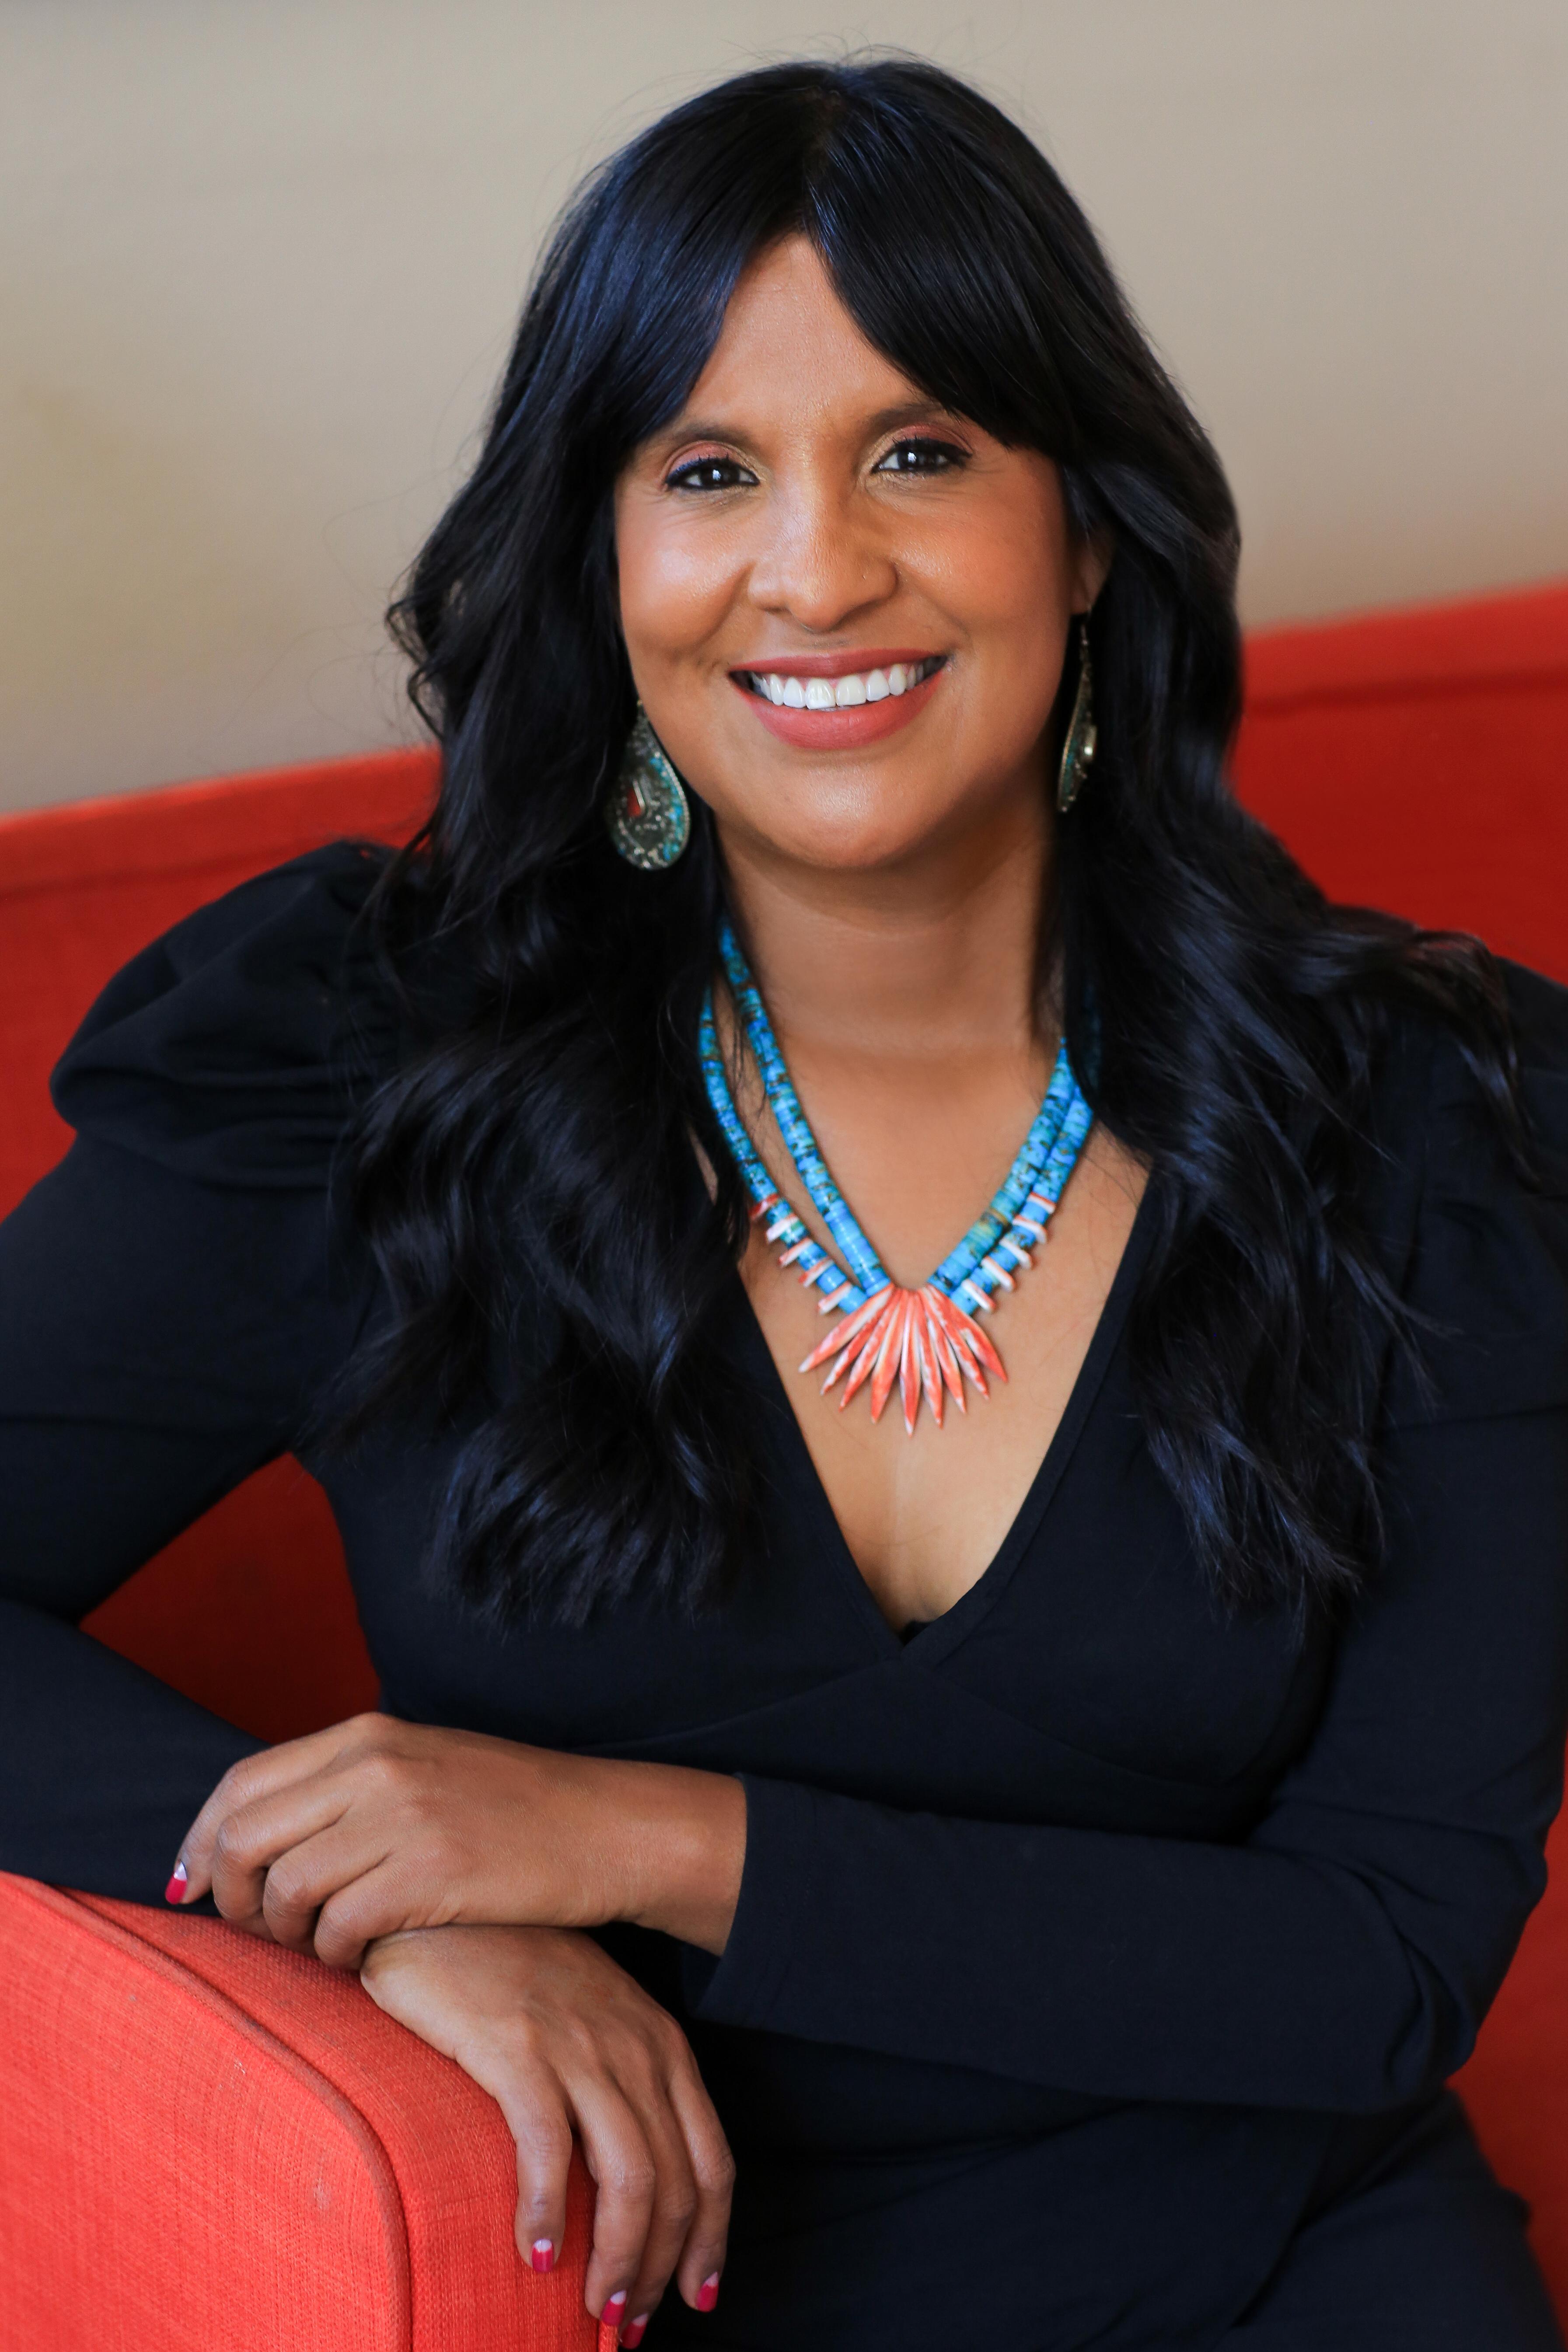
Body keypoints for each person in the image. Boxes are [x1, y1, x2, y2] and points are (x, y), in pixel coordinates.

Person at [3, 54, 1567, 2352]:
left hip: (1285, 2278)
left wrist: (625, 1834)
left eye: (919, 451)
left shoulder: (1444, 1121)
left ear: (1087, 529)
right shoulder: (366, 1063)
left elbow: (1375, 1969)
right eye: (707, 470)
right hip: (646, 2301)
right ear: (599, 554)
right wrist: (367, 1896)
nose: (815, 565)